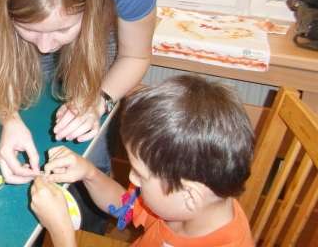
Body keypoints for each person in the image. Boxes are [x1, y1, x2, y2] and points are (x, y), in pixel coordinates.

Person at [0, 0, 157, 184]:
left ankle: (91, 189)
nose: (44, 47)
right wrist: (9, 119)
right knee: (32, 105)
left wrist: (98, 101)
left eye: (62, 29)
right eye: (28, 28)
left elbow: (135, 56)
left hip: (104, 13)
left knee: (87, 119)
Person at [30, 75, 255, 247]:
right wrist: (89, 173)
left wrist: (61, 233)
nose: (131, 178)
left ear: (190, 196)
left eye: (140, 174)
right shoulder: (187, 205)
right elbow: (125, 207)